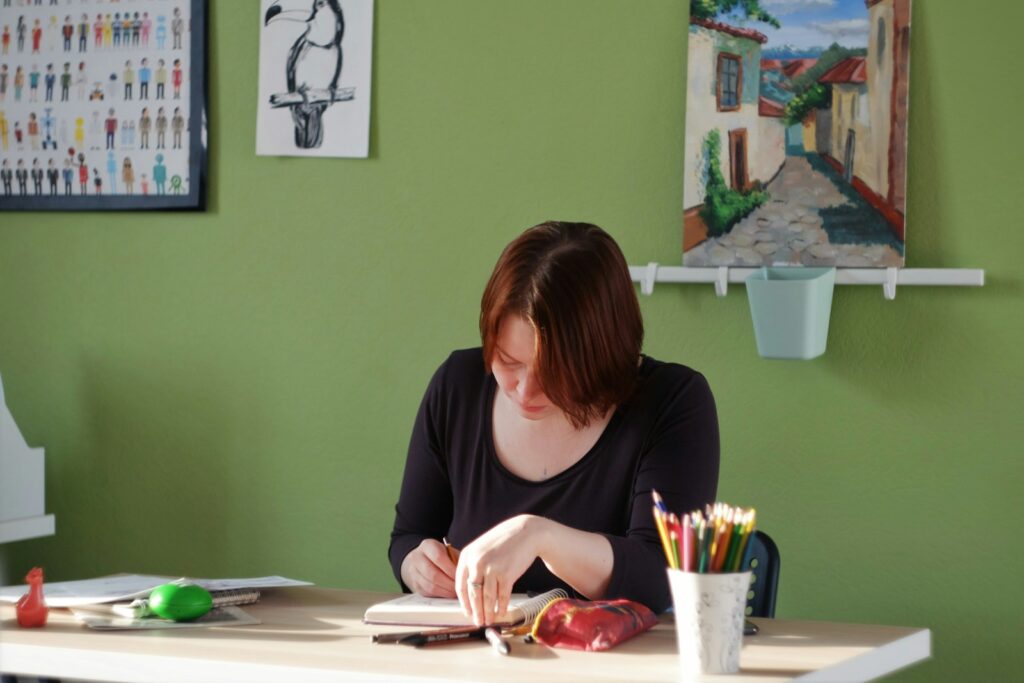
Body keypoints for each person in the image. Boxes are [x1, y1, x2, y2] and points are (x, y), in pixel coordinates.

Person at [388, 221, 719, 626]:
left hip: (617, 657)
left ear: (603, 354)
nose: (525, 391)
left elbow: (659, 578)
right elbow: (408, 535)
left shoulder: (672, 401)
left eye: (553, 373)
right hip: (474, 653)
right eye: (507, 361)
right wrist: (416, 566)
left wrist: (539, 536)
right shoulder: (457, 386)